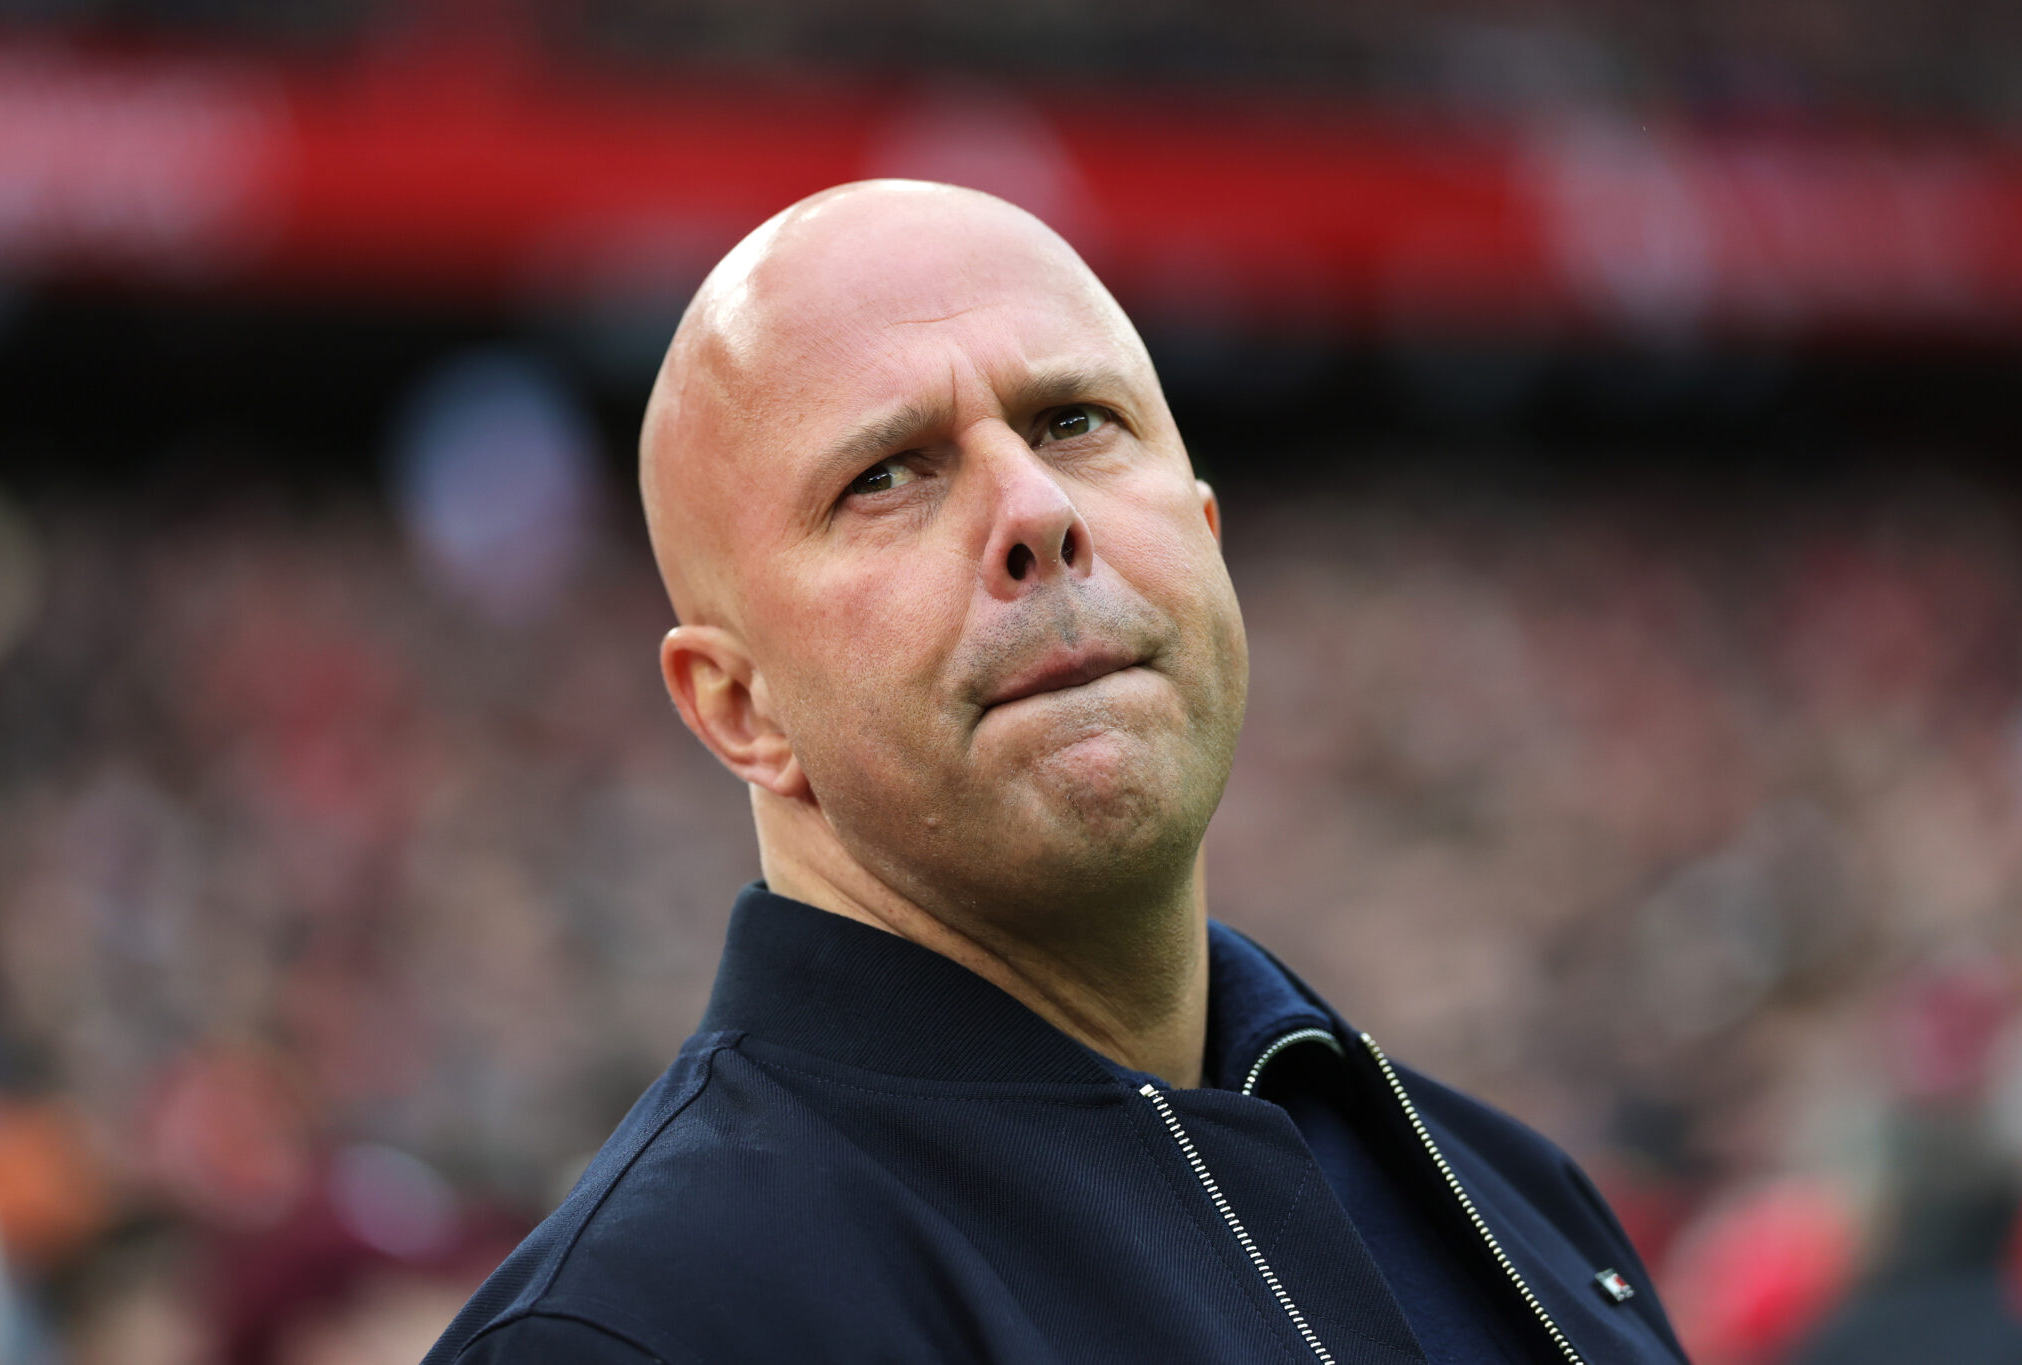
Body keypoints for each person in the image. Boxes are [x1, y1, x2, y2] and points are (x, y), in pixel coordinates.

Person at [423, 180, 1689, 1364]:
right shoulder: (630, 1330)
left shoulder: (1513, 1195)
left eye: (1074, 423)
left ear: (1204, 536)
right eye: (887, 476)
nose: (1033, 510)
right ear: (739, 707)